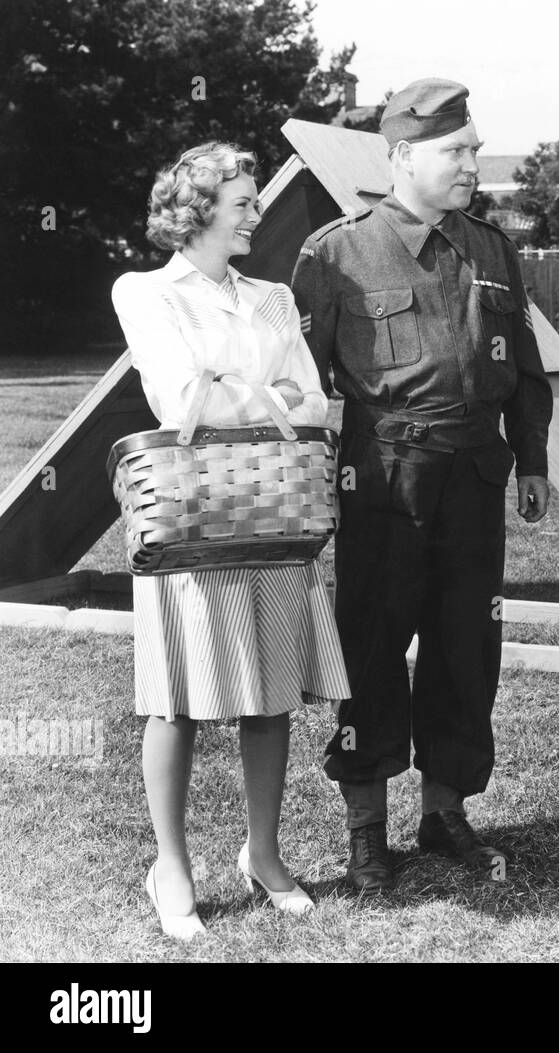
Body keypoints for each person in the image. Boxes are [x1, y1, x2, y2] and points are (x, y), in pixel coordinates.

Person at [292, 77, 553, 892]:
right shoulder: (335, 252)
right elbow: (297, 382)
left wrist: (533, 458)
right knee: (371, 645)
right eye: (456, 151)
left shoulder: (493, 248)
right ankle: (366, 831)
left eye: (473, 148)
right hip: (385, 479)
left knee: (465, 646)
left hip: (475, 474)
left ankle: (445, 813)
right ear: (402, 157)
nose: (472, 163)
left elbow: (528, 371)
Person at [111, 142, 351, 939]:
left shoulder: (275, 296)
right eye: (243, 202)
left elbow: (314, 402)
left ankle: (265, 853)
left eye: (252, 201)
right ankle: (170, 864)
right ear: (198, 211)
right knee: (176, 701)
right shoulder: (145, 291)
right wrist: (262, 392)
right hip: (191, 519)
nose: (256, 214)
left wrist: (231, 389)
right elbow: (179, 396)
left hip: (275, 514)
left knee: (272, 691)